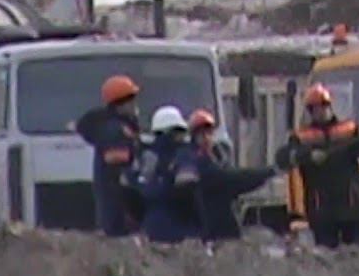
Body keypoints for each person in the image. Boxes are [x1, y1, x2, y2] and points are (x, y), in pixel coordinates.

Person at [276, 84, 359, 249]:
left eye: (324, 106)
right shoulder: (302, 137)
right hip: (322, 212)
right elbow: (283, 158)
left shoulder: (347, 130)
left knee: (358, 255)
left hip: (352, 209)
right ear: (310, 111)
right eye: (316, 108)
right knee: (327, 258)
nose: (322, 111)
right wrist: (308, 156)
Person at [188, 108, 279, 241]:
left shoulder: (217, 158)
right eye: (201, 135)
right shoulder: (200, 164)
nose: (207, 138)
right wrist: (269, 172)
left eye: (209, 133)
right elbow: (235, 179)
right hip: (214, 233)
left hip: (224, 229)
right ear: (194, 138)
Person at [75, 75, 144, 237]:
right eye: (131, 100)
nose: (135, 105)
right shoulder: (114, 129)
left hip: (117, 201)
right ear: (121, 103)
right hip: (117, 204)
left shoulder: (117, 126)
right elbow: (115, 159)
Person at [128, 106, 203, 244]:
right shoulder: (184, 155)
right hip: (183, 232)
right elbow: (188, 192)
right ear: (174, 132)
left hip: (150, 230)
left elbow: (132, 194)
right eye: (180, 132)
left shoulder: (144, 157)